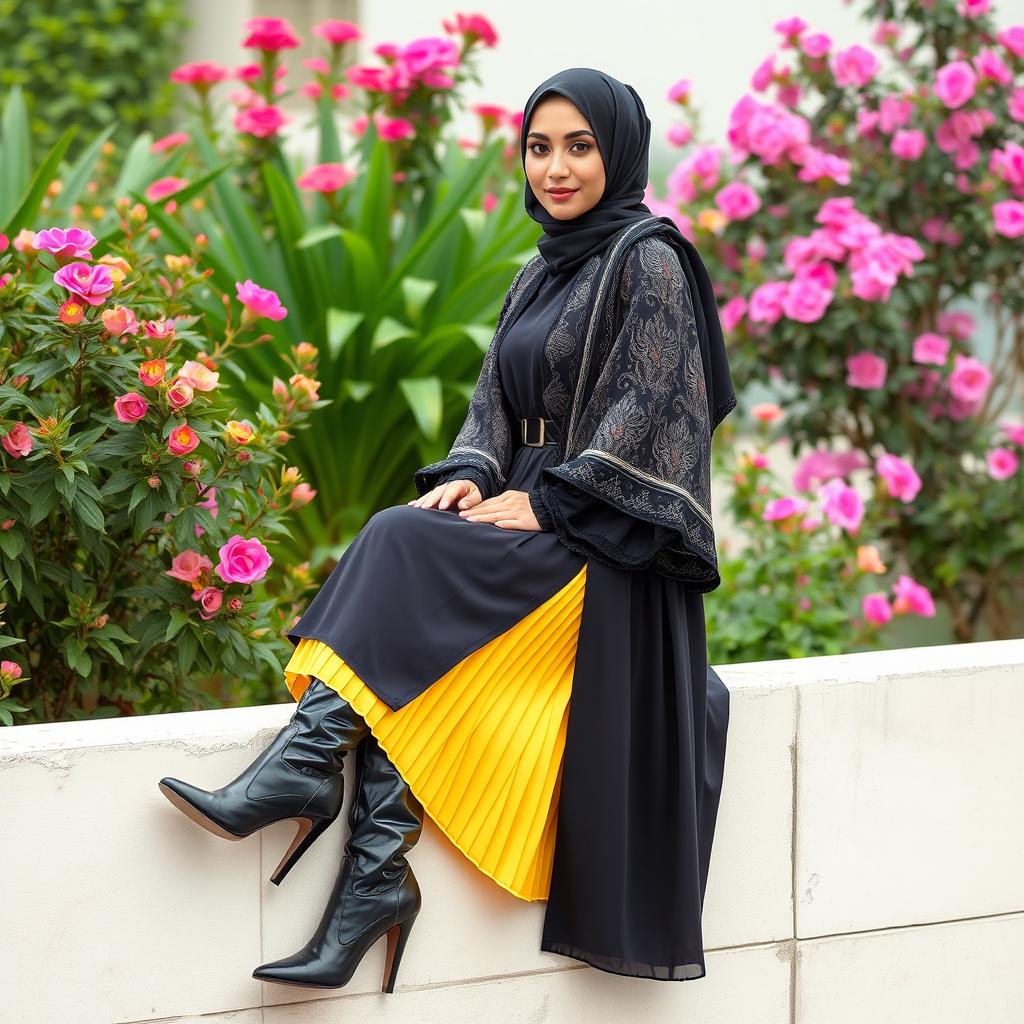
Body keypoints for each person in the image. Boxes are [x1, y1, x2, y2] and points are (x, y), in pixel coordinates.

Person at [158, 66, 737, 991]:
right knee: (410, 575)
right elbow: (489, 409)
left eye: (579, 146)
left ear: (620, 152)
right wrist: (472, 474)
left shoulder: (651, 258)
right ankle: (372, 881)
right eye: (539, 147)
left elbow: (648, 404)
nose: (555, 167)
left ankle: (306, 775)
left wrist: (553, 501)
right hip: (532, 511)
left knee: (392, 539)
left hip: (605, 539)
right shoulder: (542, 269)